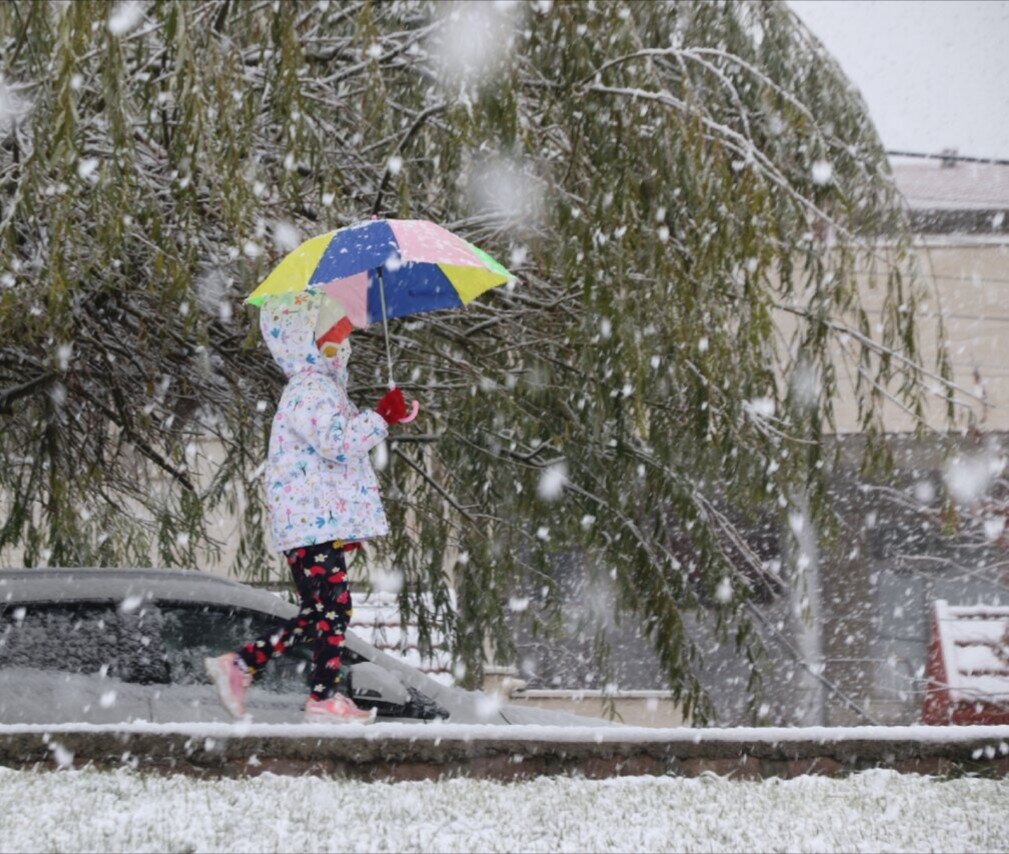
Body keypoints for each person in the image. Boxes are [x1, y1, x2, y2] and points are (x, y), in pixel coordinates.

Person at [205, 291, 410, 723]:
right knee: (331, 610)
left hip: (314, 524)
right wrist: (380, 419)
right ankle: (300, 689)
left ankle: (268, 675)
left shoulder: (321, 387)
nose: (344, 341)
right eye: (335, 334)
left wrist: (386, 417)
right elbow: (338, 445)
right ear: (309, 340)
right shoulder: (309, 389)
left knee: (323, 611)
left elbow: (340, 443)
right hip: (310, 525)